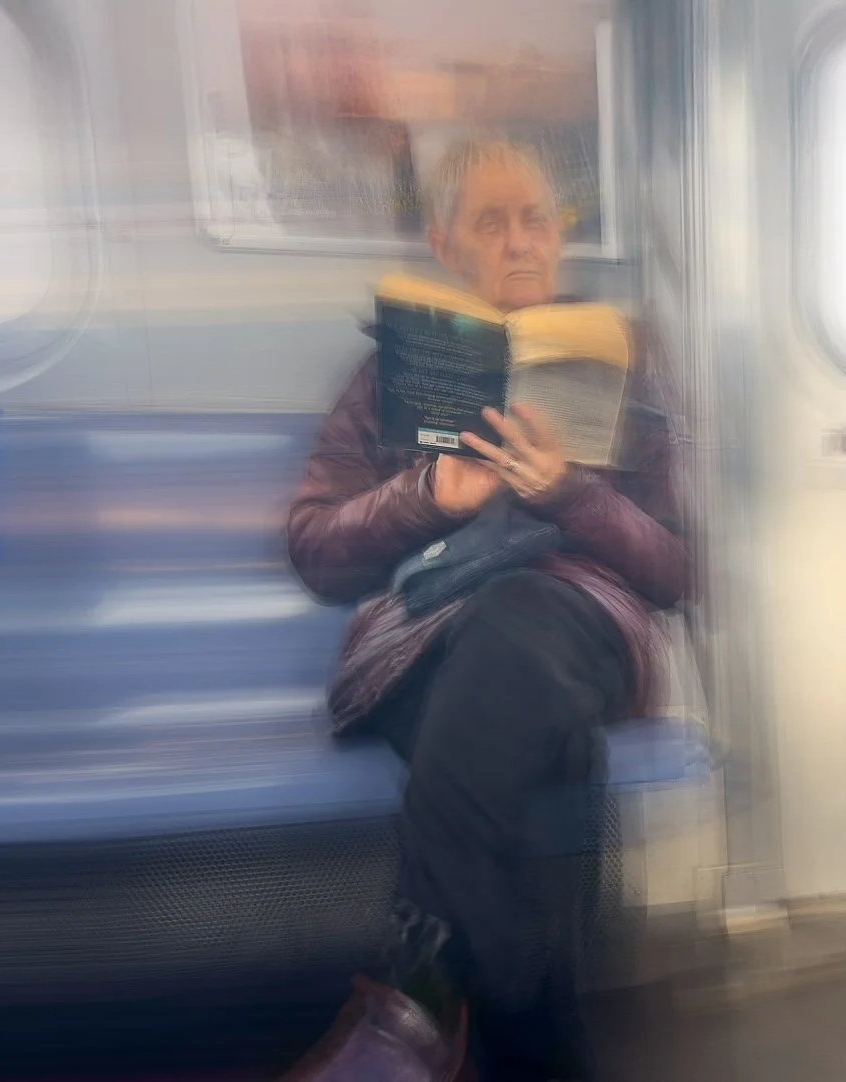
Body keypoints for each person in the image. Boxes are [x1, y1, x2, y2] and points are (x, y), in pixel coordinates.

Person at [281, 141, 688, 1081]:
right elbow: (314, 549)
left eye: (535, 218)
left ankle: (414, 1003)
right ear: (444, 243)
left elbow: (677, 565)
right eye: (489, 222)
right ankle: (527, 1050)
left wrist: (571, 495)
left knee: (518, 632)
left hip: (572, 624)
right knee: (533, 750)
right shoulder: (381, 376)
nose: (518, 242)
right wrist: (426, 496)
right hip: (428, 640)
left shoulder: (623, 368)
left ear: (560, 233)